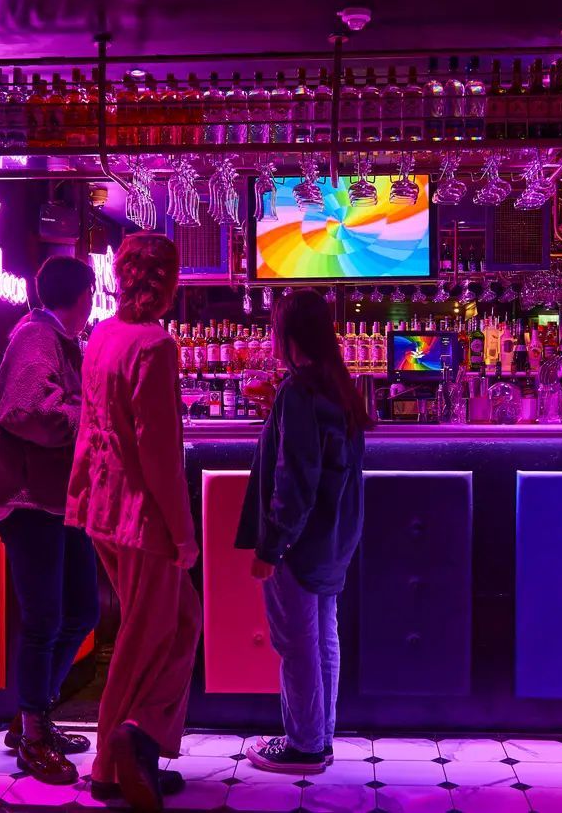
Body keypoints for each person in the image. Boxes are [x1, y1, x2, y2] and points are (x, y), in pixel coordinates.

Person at [66, 232, 200, 811]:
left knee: (179, 623)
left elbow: (92, 423)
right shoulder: (155, 346)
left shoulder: (102, 334)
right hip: (143, 516)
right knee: (144, 639)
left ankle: (137, 737)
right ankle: (109, 760)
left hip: (101, 506)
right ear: (166, 283)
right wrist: (184, 533)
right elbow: (159, 452)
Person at [238, 289, 373, 773]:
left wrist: (271, 546)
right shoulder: (339, 384)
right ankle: (320, 736)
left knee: (297, 642)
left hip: (299, 541)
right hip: (336, 537)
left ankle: (304, 746)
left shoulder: (298, 392)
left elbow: (294, 480)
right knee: (322, 636)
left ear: (288, 334)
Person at [0, 255, 99, 785]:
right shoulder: (36, 338)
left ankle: (32, 715)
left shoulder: (53, 339)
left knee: (81, 611)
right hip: (31, 502)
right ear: (84, 296)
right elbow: (27, 412)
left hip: (58, 503)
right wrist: (88, 420)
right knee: (45, 621)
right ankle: (33, 738)